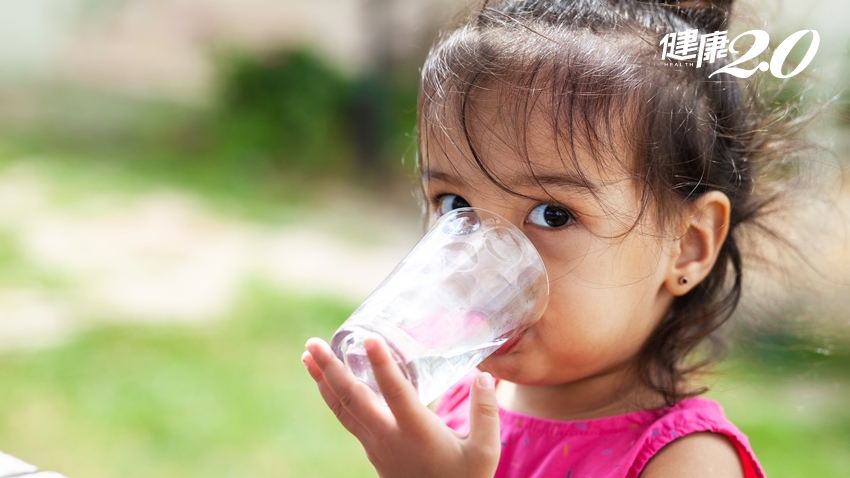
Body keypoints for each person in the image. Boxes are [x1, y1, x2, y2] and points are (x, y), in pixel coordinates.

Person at [302, 0, 812, 476]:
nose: (482, 264)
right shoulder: (465, 400)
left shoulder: (687, 459)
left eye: (552, 215)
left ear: (688, 246)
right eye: (455, 204)